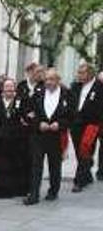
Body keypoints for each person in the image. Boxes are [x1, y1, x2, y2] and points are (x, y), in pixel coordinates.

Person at [24, 68, 73, 205]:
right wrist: (39, 124)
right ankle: (34, 194)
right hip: (39, 135)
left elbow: (71, 115)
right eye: (46, 79)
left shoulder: (67, 94)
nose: (48, 82)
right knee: (36, 165)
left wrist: (60, 124)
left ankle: (53, 190)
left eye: (51, 79)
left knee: (54, 164)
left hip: (56, 135)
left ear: (58, 80)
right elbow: (30, 113)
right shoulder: (38, 93)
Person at [0, 79, 31, 198]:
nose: (9, 92)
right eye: (7, 89)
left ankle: (14, 189)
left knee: (14, 165)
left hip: (15, 139)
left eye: (11, 89)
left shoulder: (20, 102)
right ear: (3, 90)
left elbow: (25, 117)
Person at [69, 62, 103, 192]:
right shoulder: (75, 86)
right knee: (79, 151)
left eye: (82, 72)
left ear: (90, 74)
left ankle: (79, 181)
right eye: (79, 72)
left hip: (91, 124)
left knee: (86, 149)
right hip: (76, 123)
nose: (79, 75)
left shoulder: (99, 87)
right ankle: (87, 172)